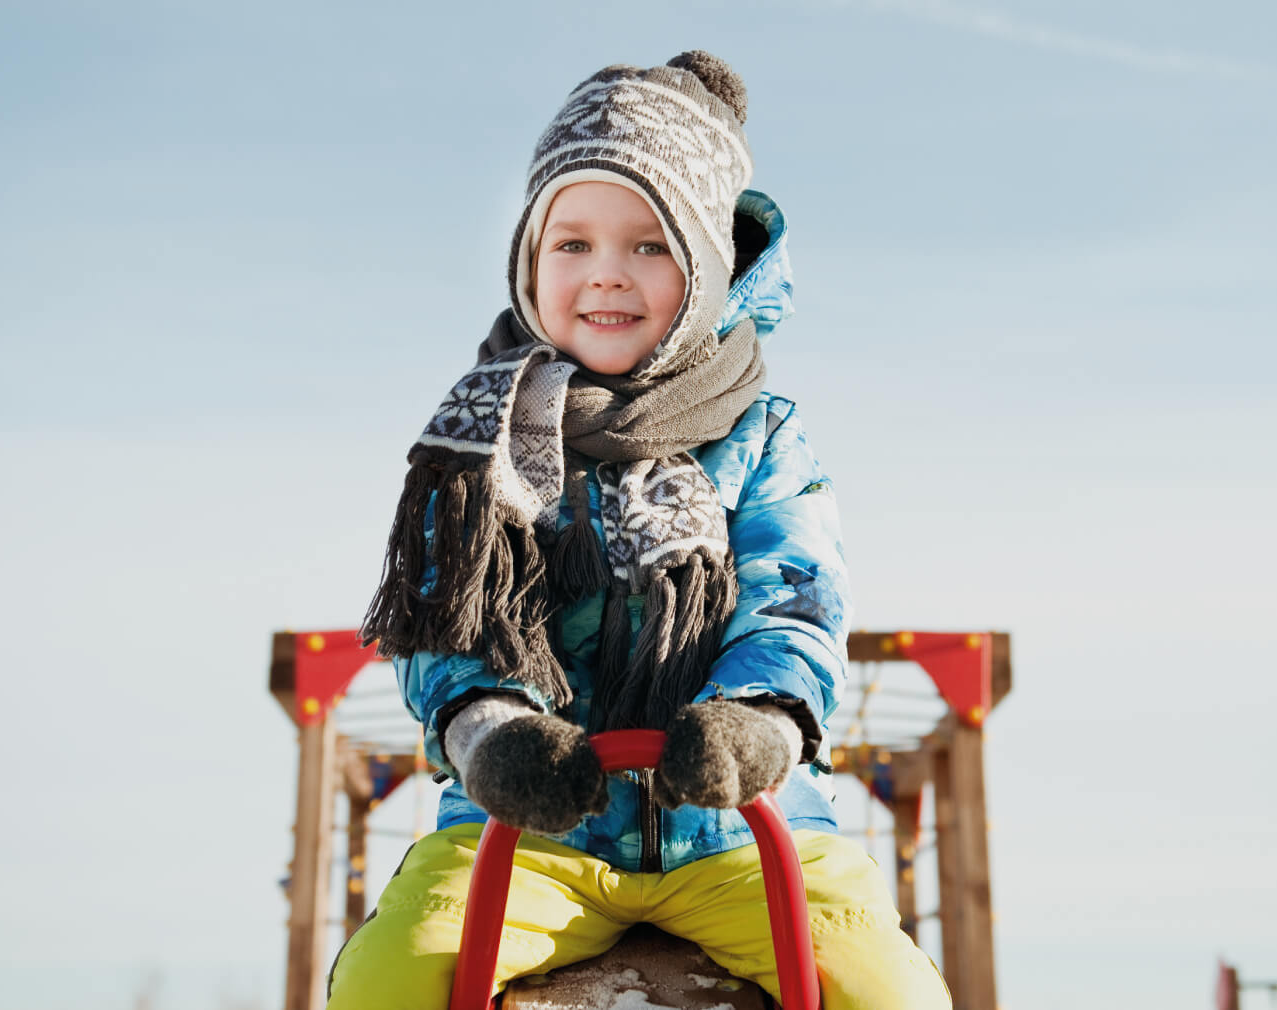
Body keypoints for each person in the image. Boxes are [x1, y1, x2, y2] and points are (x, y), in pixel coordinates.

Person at [332, 51, 951, 1010]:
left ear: (705, 268)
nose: (605, 276)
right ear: (529, 263)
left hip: (736, 832)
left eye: (650, 246)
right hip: (536, 838)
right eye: (570, 244)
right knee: (387, 979)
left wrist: (763, 721)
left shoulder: (760, 434)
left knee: (887, 990)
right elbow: (443, 615)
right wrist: (493, 734)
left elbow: (796, 598)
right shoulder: (478, 443)